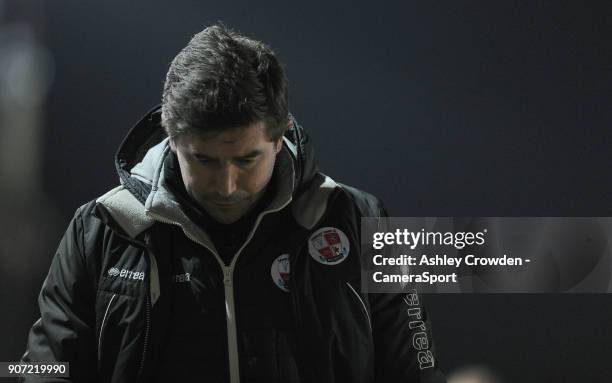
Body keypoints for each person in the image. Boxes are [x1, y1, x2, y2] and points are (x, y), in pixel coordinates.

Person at [20, 24, 446, 383]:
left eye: (246, 160)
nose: (227, 185)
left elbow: (415, 372)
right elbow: (45, 370)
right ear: (172, 140)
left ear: (279, 140)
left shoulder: (361, 221)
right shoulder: (102, 229)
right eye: (204, 160)